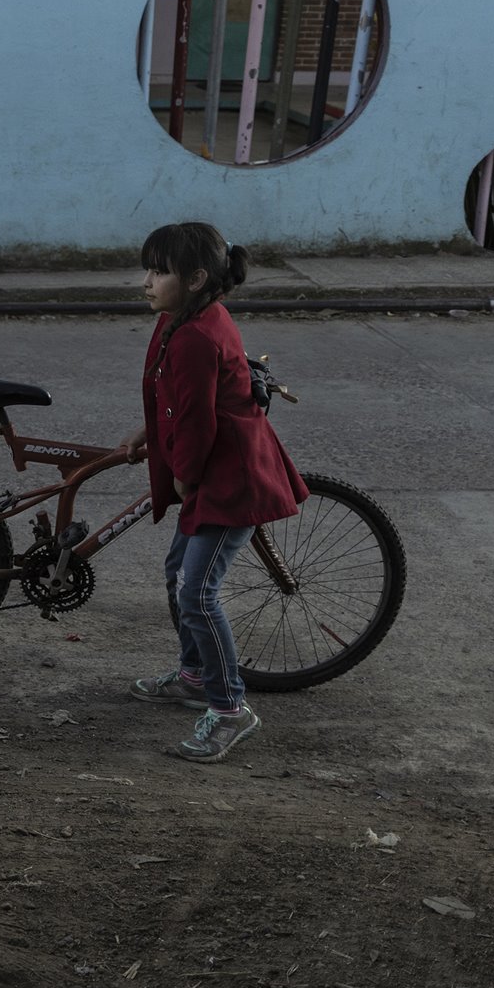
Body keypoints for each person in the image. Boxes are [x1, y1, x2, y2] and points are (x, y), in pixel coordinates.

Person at [118, 223, 307, 763]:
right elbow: (175, 398)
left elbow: (198, 419)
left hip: (230, 479)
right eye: (149, 269)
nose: (148, 281)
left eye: (159, 272)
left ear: (197, 278)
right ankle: (195, 675)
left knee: (197, 592)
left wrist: (184, 471)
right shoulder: (181, 320)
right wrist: (150, 432)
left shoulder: (199, 335)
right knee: (179, 574)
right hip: (212, 469)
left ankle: (230, 709)